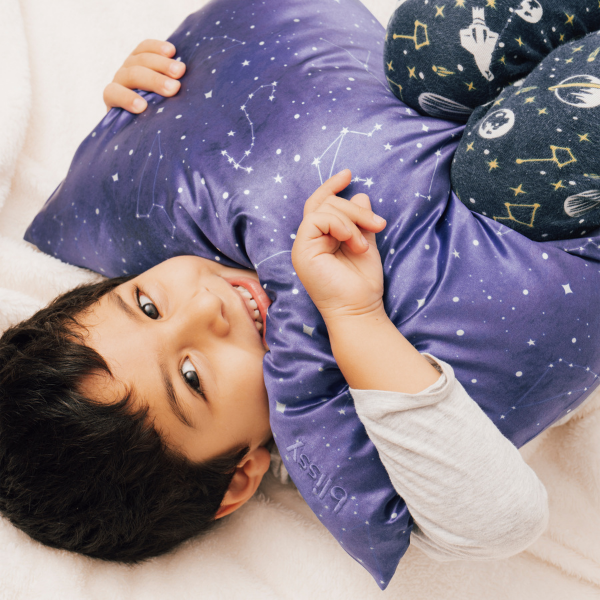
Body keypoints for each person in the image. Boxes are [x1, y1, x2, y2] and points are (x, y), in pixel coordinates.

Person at [0, 30, 551, 564]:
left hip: (440, 91)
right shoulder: (342, 457)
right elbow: (501, 524)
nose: (203, 307)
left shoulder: (187, 217)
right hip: (544, 204)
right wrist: (355, 317)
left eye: (147, 305)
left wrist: (143, 94)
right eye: (191, 377)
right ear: (239, 477)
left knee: (436, 41)